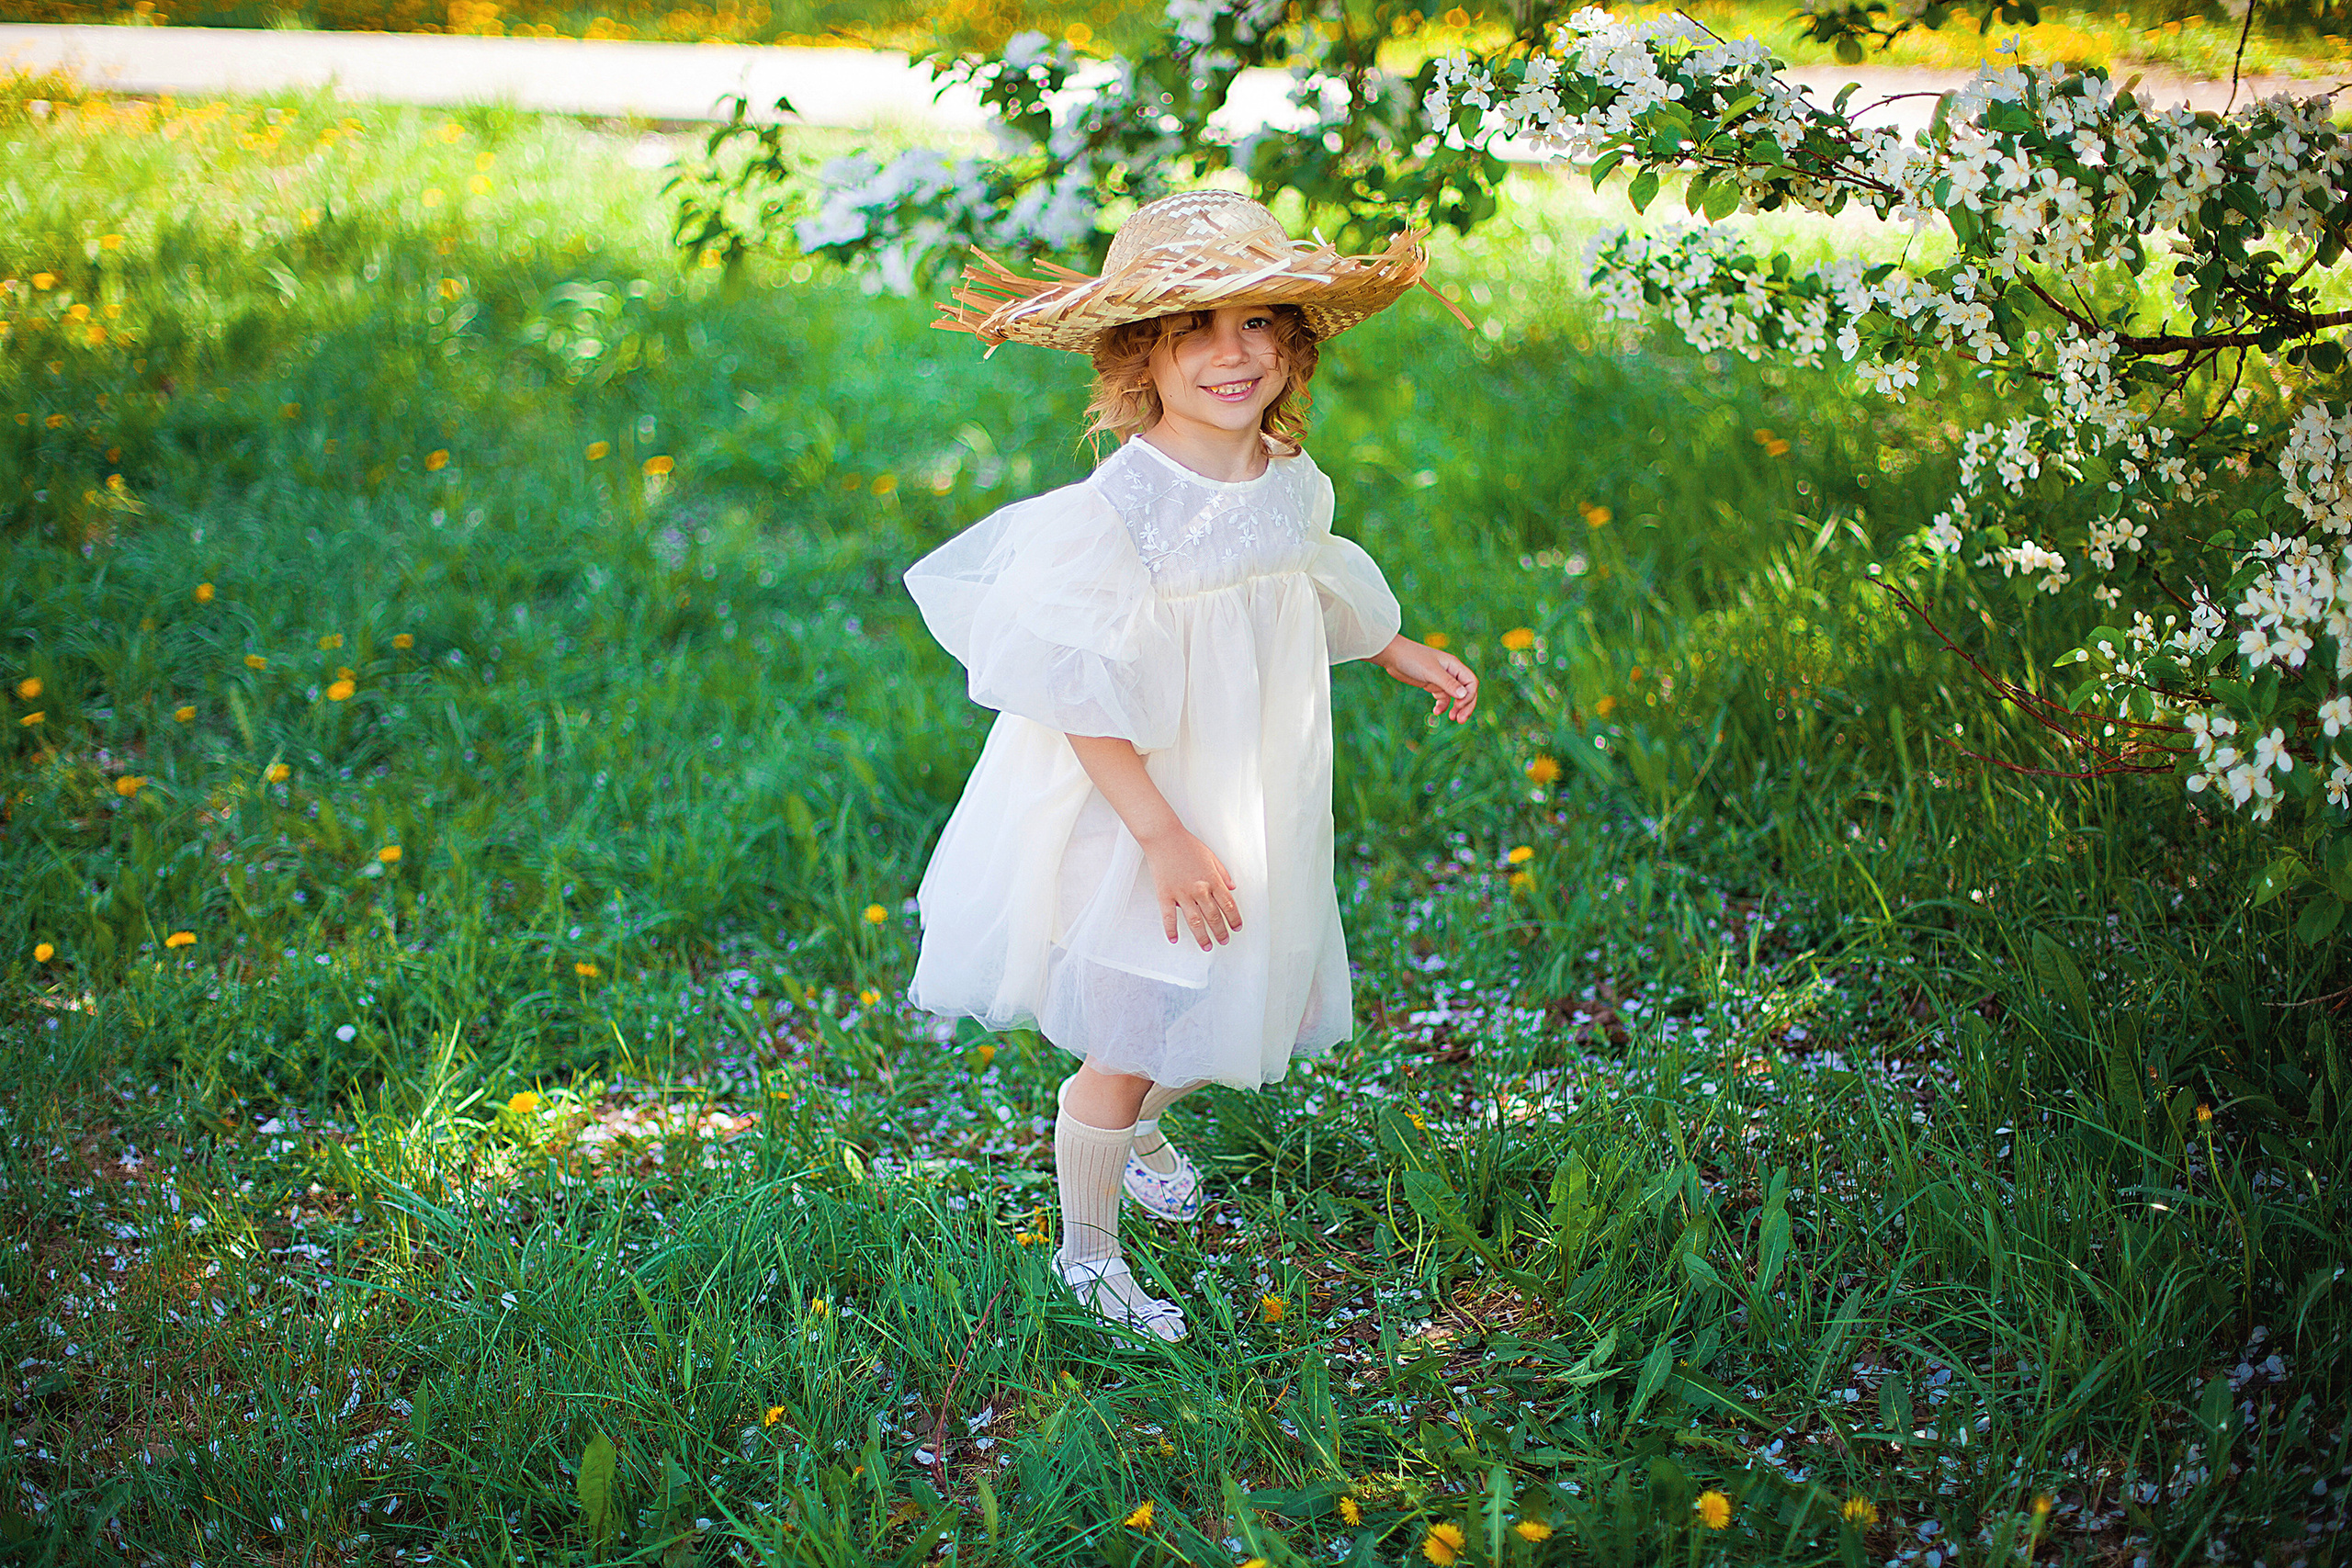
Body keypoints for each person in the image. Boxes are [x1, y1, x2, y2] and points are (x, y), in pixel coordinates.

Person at [904, 190, 1478, 1341]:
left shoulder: (1283, 475)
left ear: (1296, 342)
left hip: (1252, 787)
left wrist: (1392, 645)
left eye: (1260, 322)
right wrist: (1161, 835)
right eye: (1194, 330)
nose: (1233, 352)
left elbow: (1296, 587)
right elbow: (1072, 691)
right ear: (1138, 360)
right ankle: (1088, 1256)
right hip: (1138, 804)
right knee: (1129, 1033)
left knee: (1250, 989)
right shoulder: (1119, 510)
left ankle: (1145, 1127)